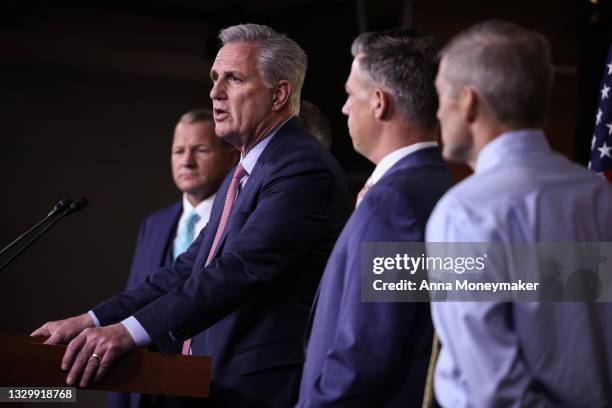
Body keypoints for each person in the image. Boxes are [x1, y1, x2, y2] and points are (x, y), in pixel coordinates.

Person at [32, 23, 351, 408]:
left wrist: (128, 333)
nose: (215, 92)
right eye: (215, 78)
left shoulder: (300, 167)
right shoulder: (244, 173)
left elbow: (239, 269)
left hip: (258, 392)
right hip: (210, 385)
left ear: (279, 94)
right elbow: (189, 268)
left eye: (233, 79)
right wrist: (92, 320)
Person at [427, 20, 612, 406]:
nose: (438, 112)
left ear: (469, 102)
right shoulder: (598, 194)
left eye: (441, 95)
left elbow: (495, 393)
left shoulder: (464, 213)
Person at [297, 28, 453, 407]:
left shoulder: (393, 203)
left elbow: (364, 356)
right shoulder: (441, 188)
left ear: (380, 102)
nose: (345, 107)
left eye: (351, 94)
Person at [108, 108, 238, 408]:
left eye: (200, 150)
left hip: (211, 387)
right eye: (178, 151)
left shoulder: (239, 222)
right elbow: (135, 298)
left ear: (231, 157)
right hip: (146, 386)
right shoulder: (153, 224)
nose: (186, 160)